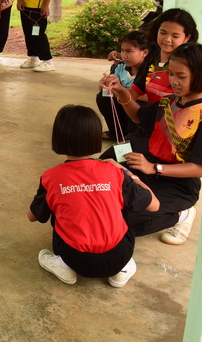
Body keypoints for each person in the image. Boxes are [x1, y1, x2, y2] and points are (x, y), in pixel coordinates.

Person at [28, 105, 158, 287]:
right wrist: (127, 173)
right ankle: (122, 270)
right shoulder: (114, 172)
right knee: (122, 203)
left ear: (57, 138)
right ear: (96, 137)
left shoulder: (51, 177)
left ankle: (63, 265)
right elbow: (154, 205)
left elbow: (32, 216)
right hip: (119, 255)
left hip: (74, 258)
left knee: (57, 209)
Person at [101, 43, 202, 245]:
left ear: (200, 76)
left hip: (176, 184)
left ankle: (182, 214)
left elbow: (198, 168)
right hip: (148, 166)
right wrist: (121, 92)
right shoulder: (169, 101)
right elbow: (138, 116)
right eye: (171, 74)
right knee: (102, 167)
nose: (174, 81)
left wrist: (154, 168)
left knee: (127, 221)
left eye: (181, 76)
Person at [128, 8, 198, 105]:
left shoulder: (189, 65)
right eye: (163, 33)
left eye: (175, 36)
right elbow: (132, 94)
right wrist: (117, 89)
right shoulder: (151, 63)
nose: (167, 39)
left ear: (187, 38)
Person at [96, 31, 149, 142]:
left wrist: (124, 92)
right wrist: (105, 84)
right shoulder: (121, 67)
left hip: (138, 105)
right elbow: (111, 86)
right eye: (122, 51)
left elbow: (150, 97)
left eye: (129, 51)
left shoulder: (150, 71)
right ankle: (116, 133)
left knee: (139, 105)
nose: (124, 55)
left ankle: (132, 136)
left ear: (144, 53)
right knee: (103, 97)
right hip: (123, 99)